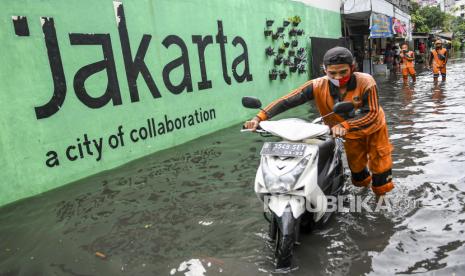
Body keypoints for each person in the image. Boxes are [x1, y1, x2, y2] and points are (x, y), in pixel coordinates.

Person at [243, 47, 394, 196]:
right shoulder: (317, 85)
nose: (338, 77)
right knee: (357, 171)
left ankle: (381, 201)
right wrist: (259, 118)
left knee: (381, 169)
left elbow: (372, 113)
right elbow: (288, 100)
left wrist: (345, 125)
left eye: (343, 72)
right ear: (325, 70)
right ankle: (363, 192)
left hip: (373, 129)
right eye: (332, 73)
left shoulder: (367, 82)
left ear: (352, 68)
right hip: (347, 133)